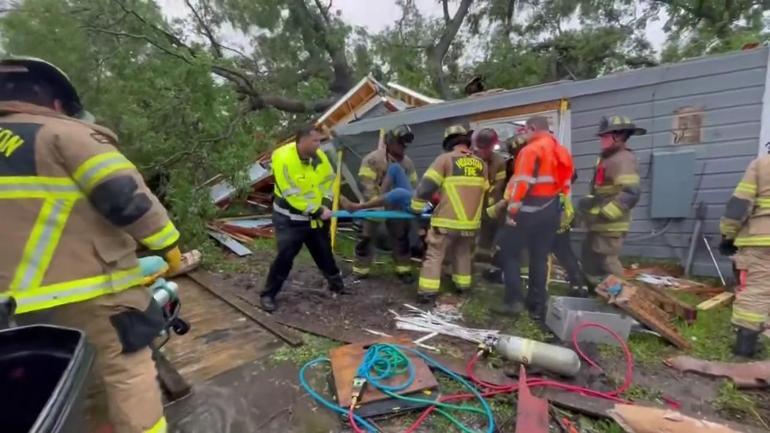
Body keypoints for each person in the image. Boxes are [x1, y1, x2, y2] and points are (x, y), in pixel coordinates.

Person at [0, 56, 180, 433]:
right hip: (89, 293)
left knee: (74, 384)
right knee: (126, 376)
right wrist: (169, 248)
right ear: (55, 103)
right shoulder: (62, 134)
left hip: (14, 311)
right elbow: (127, 198)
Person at [489, 116, 573, 320]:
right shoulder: (560, 151)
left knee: (508, 253)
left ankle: (514, 302)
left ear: (533, 128)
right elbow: (566, 182)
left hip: (528, 212)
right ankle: (537, 303)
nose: (524, 135)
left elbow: (521, 184)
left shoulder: (531, 150)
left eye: (525, 130)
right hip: (551, 211)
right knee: (539, 257)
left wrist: (511, 213)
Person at [260, 126, 344, 312]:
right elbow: (292, 195)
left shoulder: (319, 158)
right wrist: (317, 210)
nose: (319, 145)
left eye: (320, 141)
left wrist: (325, 203)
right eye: (315, 141)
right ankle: (268, 295)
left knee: (324, 252)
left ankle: (336, 283)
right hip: (290, 220)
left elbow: (328, 181)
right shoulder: (283, 158)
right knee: (285, 257)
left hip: (316, 218)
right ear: (302, 141)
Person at [410, 125, 488, 303]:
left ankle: (427, 293)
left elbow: (426, 188)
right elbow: (482, 190)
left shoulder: (445, 159)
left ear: (448, 142)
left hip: (447, 221)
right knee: (462, 253)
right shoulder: (481, 164)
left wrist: (415, 207)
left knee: (435, 254)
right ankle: (463, 287)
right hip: (470, 224)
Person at [578, 116, 643, 284]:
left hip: (611, 223)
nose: (602, 140)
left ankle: (624, 296)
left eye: (605, 136)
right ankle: (596, 291)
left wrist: (606, 213)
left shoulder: (623, 159)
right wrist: (589, 205)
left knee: (607, 260)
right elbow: (601, 190)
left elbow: (631, 193)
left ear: (619, 136)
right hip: (598, 222)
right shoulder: (607, 158)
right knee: (590, 257)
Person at [350, 125, 418, 282]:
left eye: (405, 145)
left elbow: (413, 186)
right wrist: (377, 204)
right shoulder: (373, 160)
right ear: (390, 143)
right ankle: (360, 270)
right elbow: (366, 184)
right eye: (400, 144)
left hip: (397, 208)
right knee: (366, 237)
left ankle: (403, 270)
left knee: (401, 238)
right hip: (373, 204)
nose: (403, 148)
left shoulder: (407, 163)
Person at [719, 155, 770, 357]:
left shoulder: (763, 164)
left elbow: (739, 204)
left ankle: (745, 346)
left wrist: (728, 235)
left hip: (762, 240)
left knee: (756, 291)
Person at [471, 128, 507, 263]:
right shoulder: (471, 159)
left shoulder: (499, 162)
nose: (483, 151)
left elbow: (499, 185)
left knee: (489, 231)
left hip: (489, 204)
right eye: (480, 148)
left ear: (492, 147)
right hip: (472, 202)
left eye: (486, 148)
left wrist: (491, 199)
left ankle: (484, 259)